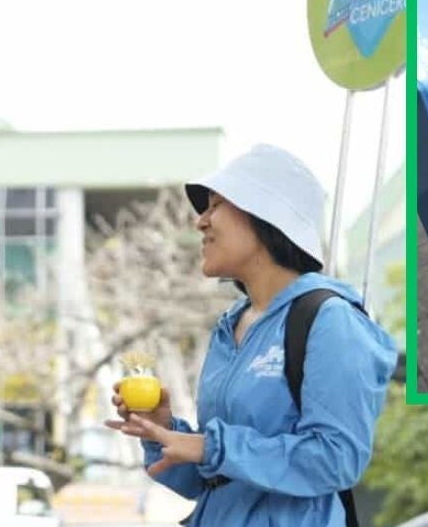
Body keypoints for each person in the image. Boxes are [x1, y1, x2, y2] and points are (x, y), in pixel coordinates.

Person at [107, 143, 398, 526]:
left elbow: (337, 459)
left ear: (265, 215)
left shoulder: (330, 321)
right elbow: (210, 481)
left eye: (216, 205)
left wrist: (211, 447)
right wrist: (162, 431)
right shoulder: (229, 327)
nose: (201, 222)